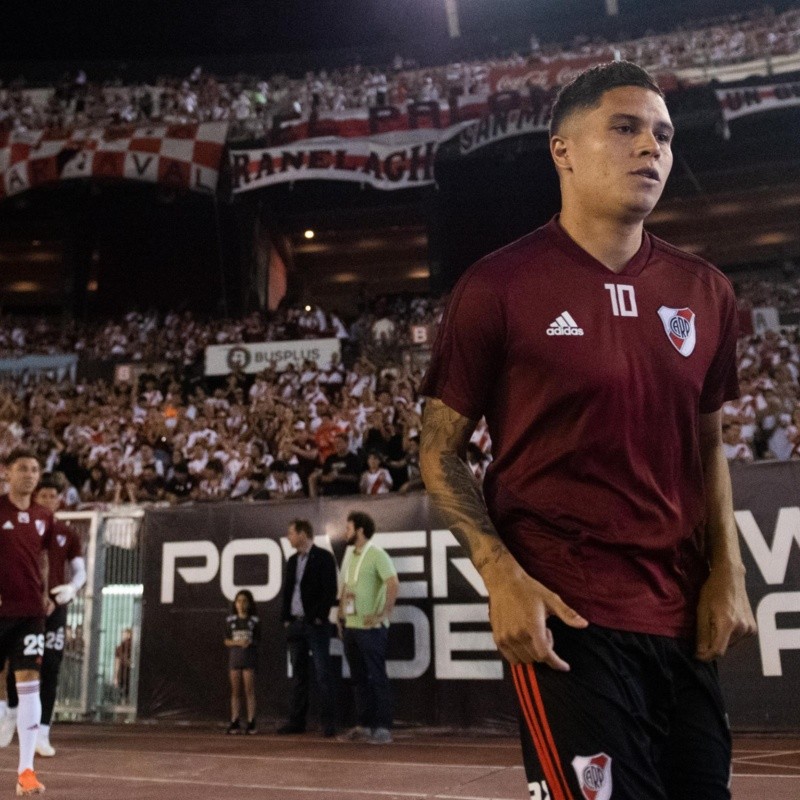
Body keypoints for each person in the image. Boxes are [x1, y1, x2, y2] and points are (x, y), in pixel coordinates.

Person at [419, 61, 756, 800]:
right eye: (627, 128)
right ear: (562, 150)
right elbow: (438, 449)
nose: (653, 149)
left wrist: (728, 572)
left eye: (664, 136)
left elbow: (708, 445)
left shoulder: (706, 291)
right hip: (569, 618)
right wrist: (500, 575)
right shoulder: (497, 287)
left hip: (679, 616)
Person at [3, 474, 86, 758]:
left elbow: (79, 570)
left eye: (54, 496)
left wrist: (71, 590)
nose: (49, 501)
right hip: (21, 606)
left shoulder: (66, 532)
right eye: (44, 496)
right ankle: (11, 711)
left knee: (49, 666)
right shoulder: (21, 523)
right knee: (17, 665)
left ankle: (43, 732)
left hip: (54, 609)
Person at [0, 448, 55, 796]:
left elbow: (44, 558)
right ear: (7, 472)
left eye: (35, 469)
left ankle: (25, 771)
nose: (30, 475)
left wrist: (45, 593)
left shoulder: (43, 516)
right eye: (23, 469)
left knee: (29, 682)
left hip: (30, 613)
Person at [337, 511, 398, 745]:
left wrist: (384, 613)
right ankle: (364, 725)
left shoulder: (377, 554)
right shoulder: (350, 555)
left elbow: (393, 583)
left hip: (371, 629)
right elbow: (346, 587)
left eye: (349, 528)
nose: (346, 532)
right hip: (352, 626)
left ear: (360, 530)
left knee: (376, 676)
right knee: (359, 678)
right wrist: (340, 614)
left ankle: (383, 728)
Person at [277, 519, 339, 736]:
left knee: (323, 674)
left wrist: (319, 617)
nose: (288, 537)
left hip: (315, 625)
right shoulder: (292, 560)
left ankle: (328, 723)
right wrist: (286, 618)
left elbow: (330, 589)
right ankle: (297, 721)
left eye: (291, 533)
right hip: (295, 624)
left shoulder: (323, 557)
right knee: (299, 675)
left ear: (303, 534)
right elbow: (288, 591)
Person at [223, 590, 260, 734]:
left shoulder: (254, 621)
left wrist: (249, 642)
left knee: (249, 690)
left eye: (244, 601)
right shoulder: (230, 621)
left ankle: (251, 721)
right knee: (235, 691)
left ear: (249, 604)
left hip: (249, 658)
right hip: (235, 659)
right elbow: (226, 640)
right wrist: (237, 642)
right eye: (238, 601)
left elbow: (258, 639)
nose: (241, 604)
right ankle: (235, 720)